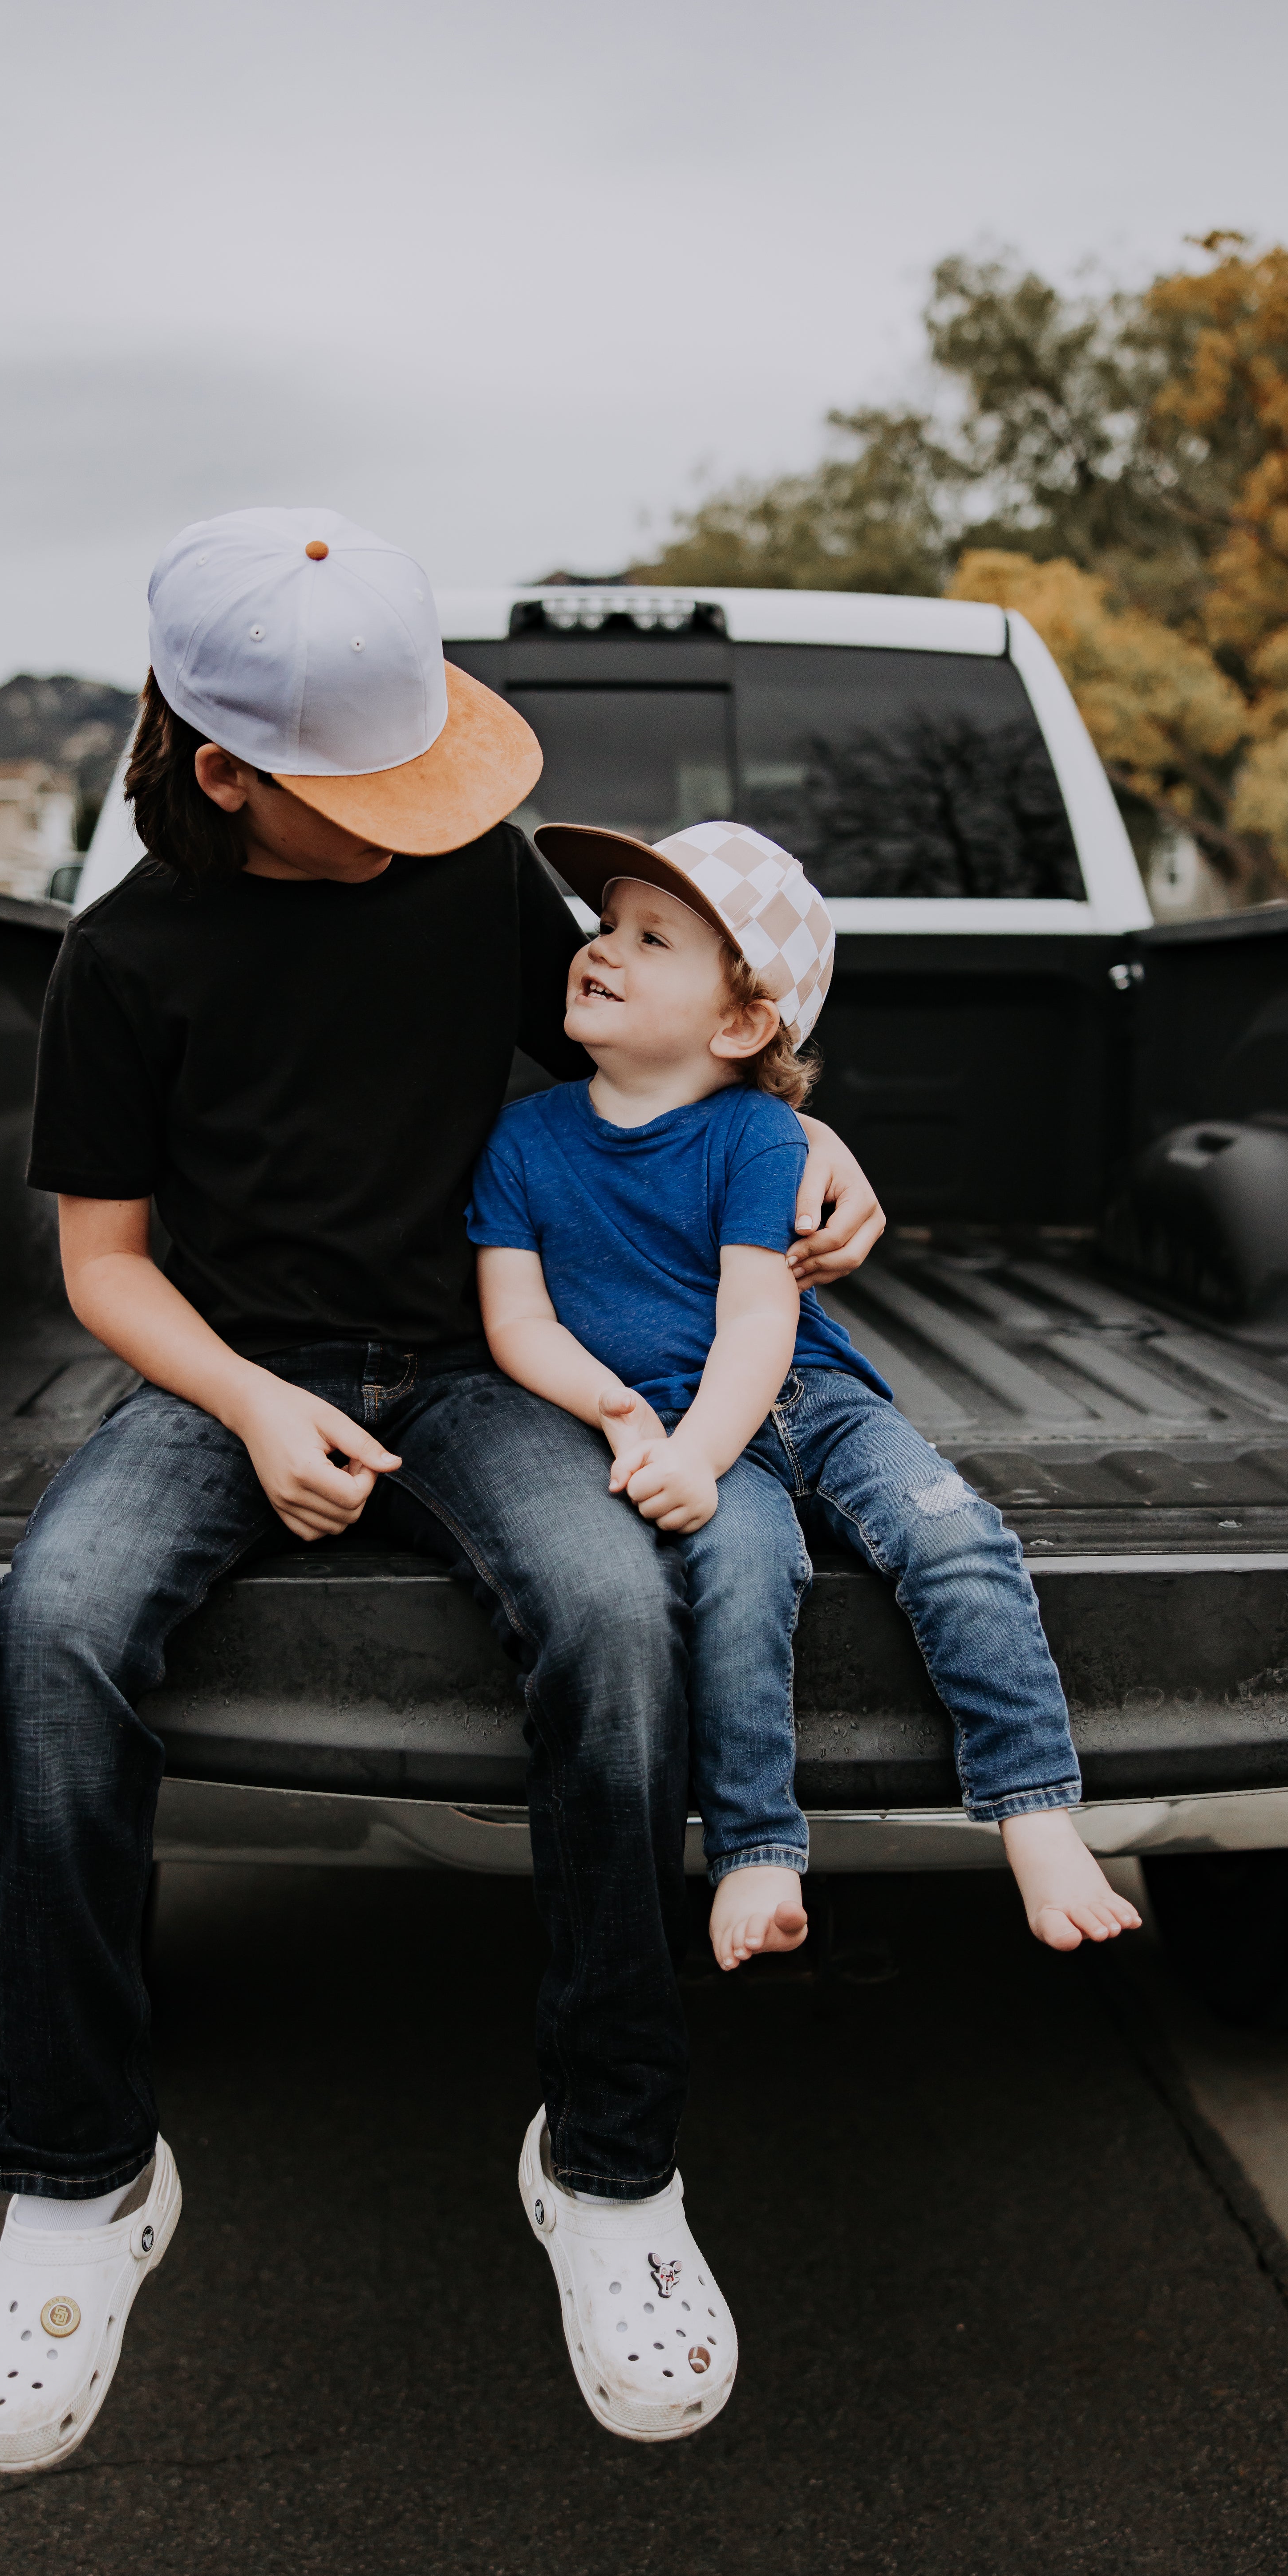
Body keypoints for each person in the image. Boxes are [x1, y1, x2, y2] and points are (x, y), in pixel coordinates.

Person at [0, 508, 888, 2473]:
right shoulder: (123, 959)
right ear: (225, 774)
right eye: (376, 784)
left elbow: (667, 1048)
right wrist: (255, 1405)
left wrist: (820, 1145)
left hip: (488, 1364)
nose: (428, 810)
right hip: (231, 1376)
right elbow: (107, 1262)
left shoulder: (483, 891)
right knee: (53, 1627)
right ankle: (79, 2179)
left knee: (623, 1616)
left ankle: (609, 2168)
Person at [469, 817, 1143, 1988]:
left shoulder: (760, 1134)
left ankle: (1034, 1808)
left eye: (652, 937)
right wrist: (626, 1418)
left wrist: (699, 1449)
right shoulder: (523, 1141)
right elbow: (517, 1322)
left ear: (739, 1022)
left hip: (800, 1398)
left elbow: (759, 1320)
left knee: (955, 1534)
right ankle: (757, 1849)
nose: (601, 948)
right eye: (606, 924)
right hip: (676, 1418)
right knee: (739, 1577)